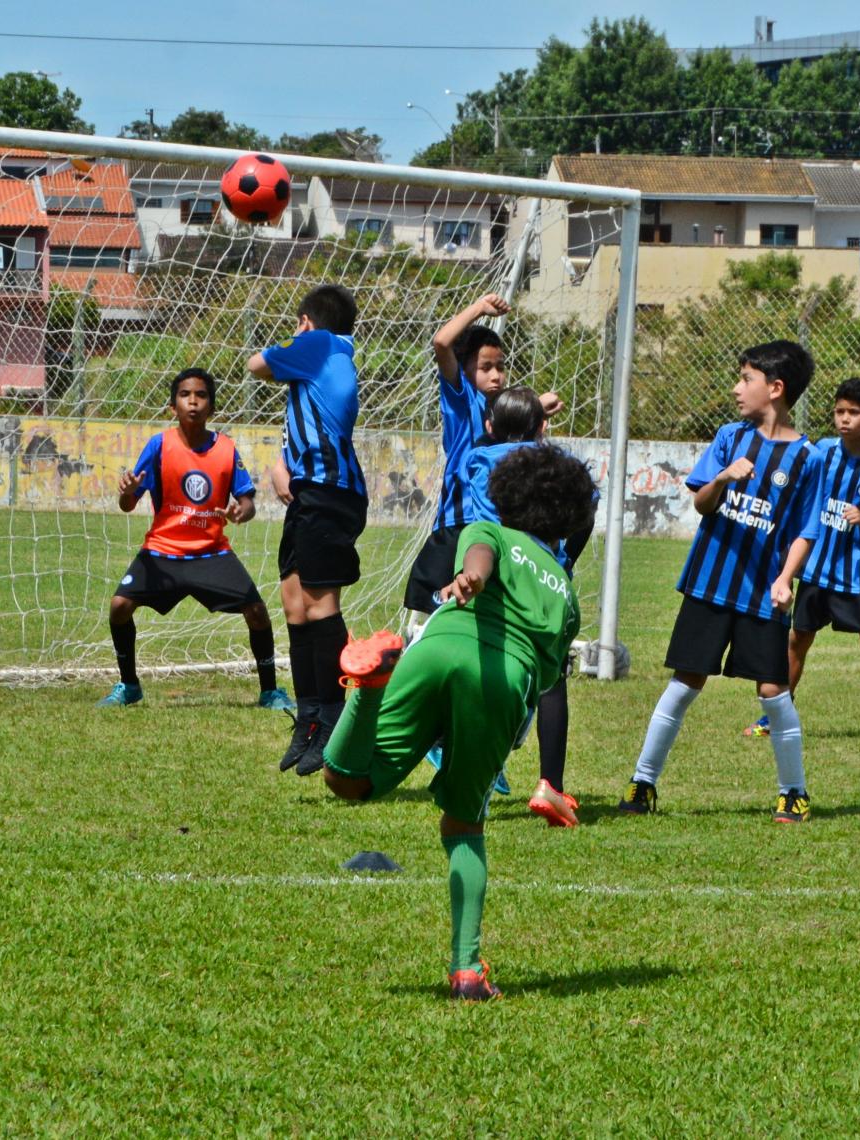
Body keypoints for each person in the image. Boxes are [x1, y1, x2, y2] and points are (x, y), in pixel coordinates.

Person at [319, 444, 596, 1001]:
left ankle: (366, 691)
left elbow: (479, 556)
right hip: (502, 678)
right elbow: (542, 686)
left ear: (506, 496)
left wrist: (469, 582)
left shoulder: (491, 531)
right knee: (463, 826)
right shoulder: (567, 597)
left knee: (348, 781)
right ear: (571, 519)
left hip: (438, 646)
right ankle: (466, 970)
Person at [618, 340, 823, 823]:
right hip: (711, 584)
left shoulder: (808, 458)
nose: (736, 388)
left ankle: (793, 791)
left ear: (775, 389)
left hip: (761, 593)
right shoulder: (730, 437)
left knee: (773, 690)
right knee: (686, 682)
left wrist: (786, 579)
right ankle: (643, 782)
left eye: (745, 379)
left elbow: (805, 530)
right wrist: (725, 478)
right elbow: (701, 503)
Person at [743, 377, 860, 743]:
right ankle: (777, 713)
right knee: (798, 639)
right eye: (840, 412)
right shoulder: (822, 451)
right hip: (816, 567)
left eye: (854, 413)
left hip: (857, 571)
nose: (845, 419)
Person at [99, 368, 288, 710]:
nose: (193, 402)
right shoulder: (159, 445)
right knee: (119, 607)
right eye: (185, 395)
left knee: (257, 611)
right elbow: (128, 504)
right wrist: (126, 493)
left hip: (211, 554)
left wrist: (242, 512)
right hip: (162, 551)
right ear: (173, 406)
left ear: (211, 407)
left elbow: (248, 502)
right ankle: (129, 685)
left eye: (201, 395)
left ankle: (270, 691)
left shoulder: (227, 449)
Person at [458, 386, 597, 827]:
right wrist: (566, 559)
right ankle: (549, 785)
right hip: (540, 577)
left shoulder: (473, 459)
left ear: (488, 427)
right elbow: (588, 505)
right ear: (542, 428)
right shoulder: (552, 465)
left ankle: (477, 783)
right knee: (551, 680)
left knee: (486, 674)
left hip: (489, 570)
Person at [246, 284, 367, 776]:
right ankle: (310, 719)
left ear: (304, 322)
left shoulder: (319, 345)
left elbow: (257, 364)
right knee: (296, 606)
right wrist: (280, 464)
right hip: (311, 493)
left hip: (329, 495)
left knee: (321, 605)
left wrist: (295, 341)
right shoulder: (324, 361)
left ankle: (336, 722)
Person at [404, 293, 560, 622]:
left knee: (485, 615)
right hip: (457, 526)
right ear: (464, 370)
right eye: (485, 367)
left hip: (495, 532)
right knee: (440, 614)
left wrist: (536, 407)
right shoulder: (463, 402)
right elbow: (442, 342)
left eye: (501, 367)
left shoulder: (501, 413)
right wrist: (477, 309)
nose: (496, 376)